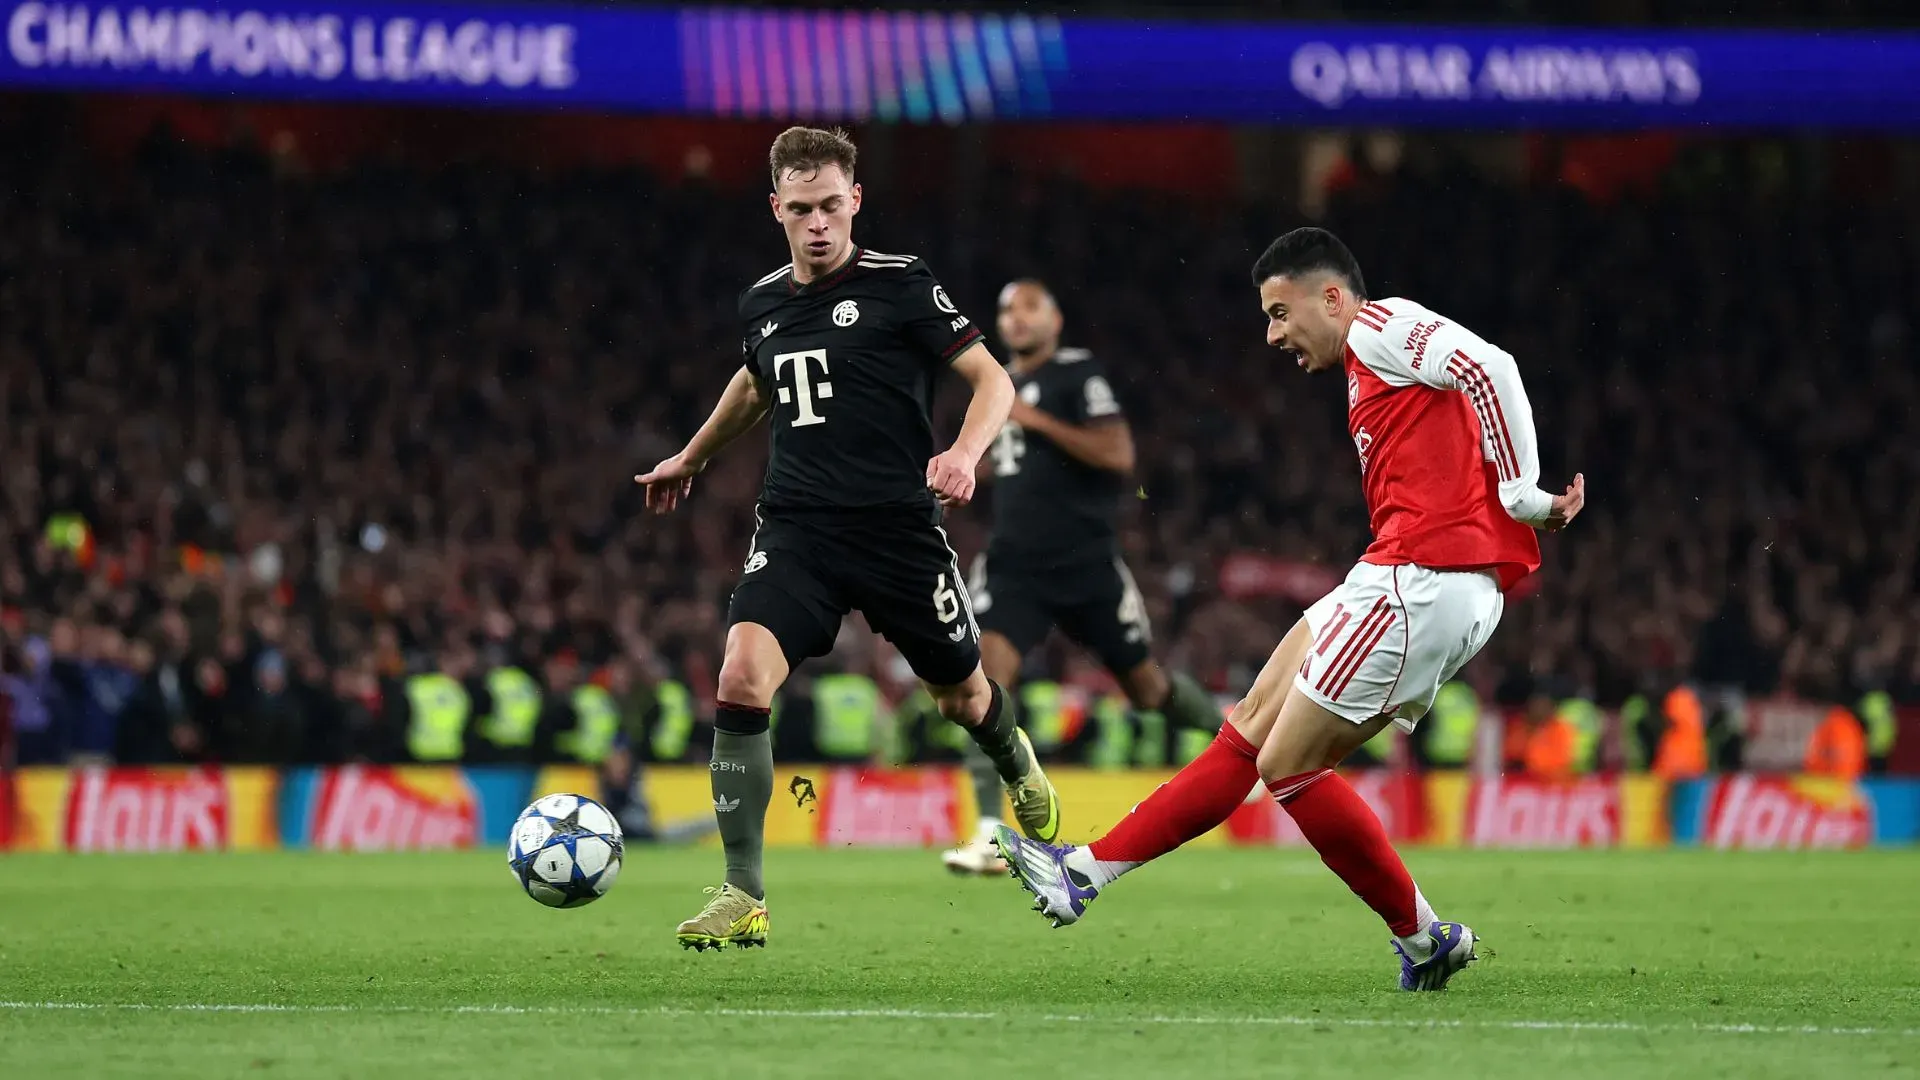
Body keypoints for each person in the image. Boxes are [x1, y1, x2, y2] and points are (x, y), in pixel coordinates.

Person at [992, 228, 1585, 991]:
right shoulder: (1366, 359)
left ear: (1331, 297)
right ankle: (1084, 872)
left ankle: (1422, 935)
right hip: (1403, 572)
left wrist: (1520, 493)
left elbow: (1489, 366)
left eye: (1280, 313)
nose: (1273, 335)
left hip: (1423, 577)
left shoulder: (1380, 325)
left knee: (1288, 766)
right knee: (1253, 723)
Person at [635, 126, 1061, 951]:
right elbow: (757, 381)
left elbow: (992, 379)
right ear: (777, 210)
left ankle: (1011, 753)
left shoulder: (902, 285)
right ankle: (742, 892)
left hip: (900, 531)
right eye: (802, 210)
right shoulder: (761, 301)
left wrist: (964, 454)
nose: (820, 223)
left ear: (855, 200)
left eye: (833, 205)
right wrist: (691, 455)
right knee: (741, 674)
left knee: (962, 698)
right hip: (797, 530)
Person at [942, 280, 1223, 875]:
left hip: (1087, 563)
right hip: (1016, 563)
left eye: (1029, 308)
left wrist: (1034, 419)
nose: (1015, 320)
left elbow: (1118, 455)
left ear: (1056, 319)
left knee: (1147, 691)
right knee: (983, 685)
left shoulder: (1076, 374)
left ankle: (1241, 743)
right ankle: (991, 832)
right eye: (1006, 311)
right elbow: (1017, 464)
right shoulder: (998, 384)